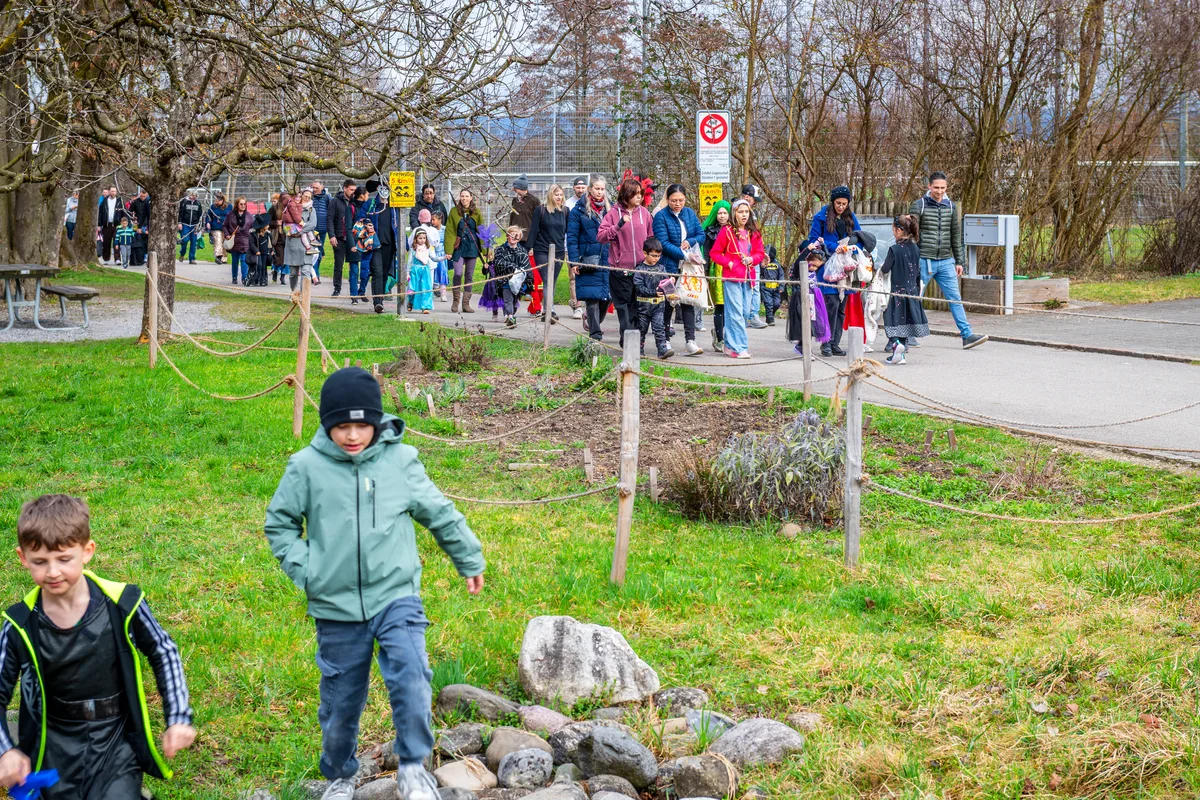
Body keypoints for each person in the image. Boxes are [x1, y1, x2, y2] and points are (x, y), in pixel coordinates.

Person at [264, 368, 485, 800]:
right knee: (340, 705)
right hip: (335, 608)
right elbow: (280, 525)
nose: (351, 435)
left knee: (411, 675)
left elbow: (438, 511)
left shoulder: (401, 461)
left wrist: (468, 556)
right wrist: (309, 569)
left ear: (377, 422)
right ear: (328, 424)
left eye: (361, 425)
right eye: (341, 426)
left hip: (395, 594)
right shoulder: (305, 468)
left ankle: (412, 766)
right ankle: (341, 774)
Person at [0, 494, 195, 798]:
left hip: (115, 739)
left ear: (87, 551)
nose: (53, 572)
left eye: (64, 559)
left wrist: (179, 716)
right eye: (40, 562)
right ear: (23, 558)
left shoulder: (122, 603)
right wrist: (5, 751)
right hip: (54, 744)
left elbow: (163, 650)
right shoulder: (19, 624)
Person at [909, 171, 988, 349]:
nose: (939, 191)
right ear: (929, 186)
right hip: (924, 260)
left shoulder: (951, 207)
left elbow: (955, 235)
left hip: (946, 261)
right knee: (914, 297)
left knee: (955, 298)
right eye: (936, 187)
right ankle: (908, 335)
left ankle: (967, 335)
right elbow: (911, 233)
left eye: (942, 188)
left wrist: (959, 261)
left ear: (947, 188)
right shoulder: (919, 205)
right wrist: (912, 258)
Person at [804, 185, 860, 356]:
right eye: (838, 203)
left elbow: (860, 237)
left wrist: (851, 248)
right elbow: (813, 240)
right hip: (827, 265)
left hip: (846, 266)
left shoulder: (851, 217)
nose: (841, 207)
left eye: (844, 203)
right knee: (831, 304)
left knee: (842, 305)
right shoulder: (821, 217)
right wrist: (834, 247)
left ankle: (835, 342)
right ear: (832, 202)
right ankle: (825, 342)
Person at [651, 183, 705, 356]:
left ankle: (690, 340)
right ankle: (665, 339)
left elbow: (701, 234)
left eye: (681, 200)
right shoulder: (661, 217)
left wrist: (690, 242)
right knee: (668, 303)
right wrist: (684, 254)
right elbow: (663, 243)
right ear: (667, 200)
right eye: (674, 200)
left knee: (688, 301)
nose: (677, 204)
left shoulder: (689, 213)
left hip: (687, 268)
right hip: (669, 266)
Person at [597, 177, 653, 341]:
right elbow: (601, 237)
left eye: (641, 194)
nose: (639, 198)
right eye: (635, 194)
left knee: (638, 306)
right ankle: (627, 338)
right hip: (620, 269)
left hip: (641, 269)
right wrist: (618, 225)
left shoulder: (645, 214)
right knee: (624, 307)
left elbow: (650, 238)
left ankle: (634, 342)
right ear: (626, 194)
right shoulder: (613, 214)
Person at [708, 198, 765, 359]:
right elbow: (715, 253)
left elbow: (760, 253)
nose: (744, 215)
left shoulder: (754, 232)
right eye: (741, 212)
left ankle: (729, 344)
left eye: (746, 211)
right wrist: (730, 263)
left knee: (745, 313)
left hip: (748, 277)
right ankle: (740, 348)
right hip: (732, 277)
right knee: (735, 313)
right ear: (734, 213)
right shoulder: (726, 231)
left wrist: (752, 259)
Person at [567, 174, 611, 341]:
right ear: (590, 189)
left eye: (602, 189)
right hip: (588, 257)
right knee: (592, 296)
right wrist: (574, 261)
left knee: (606, 297)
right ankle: (595, 334)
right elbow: (571, 237)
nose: (600, 192)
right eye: (597, 189)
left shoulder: (610, 208)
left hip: (607, 258)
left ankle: (592, 321)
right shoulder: (578, 210)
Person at [880, 214, 929, 365]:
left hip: (896, 291)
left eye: (894, 230)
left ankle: (896, 344)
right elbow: (918, 269)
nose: (893, 233)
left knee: (892, 321)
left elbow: (885, 268)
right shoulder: (915, 248)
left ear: (899, 230)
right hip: (912, 290)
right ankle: (898, 355)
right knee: (905, 322)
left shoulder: (894, 249)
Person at [528, 184, 568, 322]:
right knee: (547, 279)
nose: (559, 197)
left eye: (561, 194)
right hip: (542, 250)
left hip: (559, 251)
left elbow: (569, 232)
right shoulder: (541, 210)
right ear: (551, 195)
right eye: (556, 194)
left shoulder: (565, 211)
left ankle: (548, 308)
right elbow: (533, 229)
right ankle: (549, 310)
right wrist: (530, 247)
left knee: (553, 280)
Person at [633, 237, 675, 359]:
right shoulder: (640, 269)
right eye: (653, 256)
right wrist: (653, 292)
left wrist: (670, 281)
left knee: (659, 328)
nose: (656, 259)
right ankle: (638, 350)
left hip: (659, 306)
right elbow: (638, 287)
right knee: (642, 329)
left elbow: (666, 283)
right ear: (645, 253)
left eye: (658, 256)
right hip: (643, 307)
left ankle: (662, 349)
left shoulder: (661, 268)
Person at [786, 247, 832, 355]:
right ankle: (802, 347)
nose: (815, 269)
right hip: (801, 298)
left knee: (813, 324)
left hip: (814, 299)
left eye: (817, 266)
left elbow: (829, 259)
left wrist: (824, 247)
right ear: (807, 261)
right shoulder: (800, 269)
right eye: (813, 265)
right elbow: (798, 262)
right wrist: (807, 250)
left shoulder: (816, 269)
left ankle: (803, 346)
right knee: (804, 323)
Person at [446, 189, 484, 314]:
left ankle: (466, 304)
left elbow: (482, 230)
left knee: (469, 276)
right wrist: (449, 250)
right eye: (462, 196)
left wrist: (485, 249)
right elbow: (450, 231)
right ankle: (456, 301)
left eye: (467, 196)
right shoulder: (454, 211)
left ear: (471, 197)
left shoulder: (477, 212)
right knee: (457, 273)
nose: (464, 198)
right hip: (459, 247)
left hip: (472, 247)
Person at [365, 180, 400, 313]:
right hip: (375, 246)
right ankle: (377, 302)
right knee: (377, 273)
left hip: (389, 245)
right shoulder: (372, 205)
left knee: (385, 273)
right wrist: (367, 224)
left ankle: (381, 298)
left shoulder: (394, 206)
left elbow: (398, 225)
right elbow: (361, 218)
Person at [700, 200, 730, 352]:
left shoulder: (735, 230)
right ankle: (719, 337)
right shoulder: (710, 231)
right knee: (720, 304)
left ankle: (728, 336)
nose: (722, 216)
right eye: (719, 213)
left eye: (725, 212)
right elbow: (705, 252)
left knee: (732, 305)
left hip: (733, 268)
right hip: (717, 269)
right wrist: (705, 272)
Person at [491, 225, 530, 328]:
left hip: (518, 282)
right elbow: (498, 262)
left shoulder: (522, 251)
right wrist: (513, 268)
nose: (513, 237)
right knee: (507, 299)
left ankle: (509, 314)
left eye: (516, 235)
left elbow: (526, 266)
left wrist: (525, 277)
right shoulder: (501, 250)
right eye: (511, 235)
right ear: (507, 236)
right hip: (505, 281)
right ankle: (510, 317)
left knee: (514, 300)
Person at [326, 179, 358, 297]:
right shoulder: (335, 202)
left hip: (352, 238)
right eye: (351, 190)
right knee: (339, 264)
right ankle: (337, 287)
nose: (353, 192)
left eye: (355, 190)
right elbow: (330, 219)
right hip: (339, 237)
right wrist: (332, 235)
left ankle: (354, 288)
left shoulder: (355, 202)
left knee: (354, 264)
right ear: (345, 188)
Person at [282, 190, 315, 290]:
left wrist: (300, 232)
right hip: (293, 245)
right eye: (305, 196)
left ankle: (303, 296)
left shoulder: (311, 210)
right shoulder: (290, 207)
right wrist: (289, 231)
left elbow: (312, 224)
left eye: (309, 197)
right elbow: (285, 224)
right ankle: (293, 292)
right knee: (293, 273)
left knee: (305, 272)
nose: (307, 198)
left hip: (306, 246)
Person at [222, 196, 255, 285]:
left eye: (244, 204)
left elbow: (253, 227)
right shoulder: (230, 214)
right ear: (237, 204)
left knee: (244, 261)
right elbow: (224, 225)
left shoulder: (249, 216)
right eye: (241, 204)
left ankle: (244, 278)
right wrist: (227, 235)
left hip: (245, 241)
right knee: (235, 261)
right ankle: (234, 277)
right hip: (234, 241)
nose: (243, 206)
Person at [508, 174, 540, 246]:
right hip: (514, 238)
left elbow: (539, 220)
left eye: (515, 188)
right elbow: (512, 217)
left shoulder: (534, 201)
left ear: (521, 188)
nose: (514, 189)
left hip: (527, 238)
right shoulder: (515, 200)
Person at [97, 186, 125, 264]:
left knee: (117, 242)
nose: (113, 193)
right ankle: (106, 259)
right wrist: (99, 225)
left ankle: (117, 259)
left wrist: (124, 224)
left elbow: (124, 213)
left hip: (117, 225)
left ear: (116, 192)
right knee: (106, 242)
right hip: (107, 225)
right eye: (112, 191)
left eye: (114, 191)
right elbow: (100, 214)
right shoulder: (104, 201)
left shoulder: (119, 201)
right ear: (109, 192)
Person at [310, 181, 330, 282]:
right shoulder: (310, 198)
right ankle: (315, 275)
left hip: (322, 230)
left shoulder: (326, 198)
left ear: (322, 187)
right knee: (313, 252)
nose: (314, 190)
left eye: (316, 188)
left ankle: (315, 273)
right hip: (311, 231)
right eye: (313, 188)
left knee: (319, 252)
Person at [761, 245, 784, 326]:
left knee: (777, 303)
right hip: (766, 287)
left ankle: (771, 314)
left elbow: (781, 276)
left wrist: (781, 287)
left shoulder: (778, 265)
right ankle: (769, 318)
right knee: (768, 303)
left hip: (776, 288)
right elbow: (760, 273)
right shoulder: (763, 263)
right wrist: (763, 266)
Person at [178, 191, 203, 263]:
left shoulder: (198, 203)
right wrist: (179, 223)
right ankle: (182, 253)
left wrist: (198, 225)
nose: (193, 197)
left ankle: (192, 258)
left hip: (194, 226)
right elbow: (180, 213)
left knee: (193, 242)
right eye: (192, 195)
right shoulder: (184, 202)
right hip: (185, 224)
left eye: (195, 196)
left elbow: (199, 215)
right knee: (185, 240)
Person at [205, 193, 231, 265]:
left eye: (218, 201)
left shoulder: (229, 206)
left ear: (222, 200)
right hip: (216, 226)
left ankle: (224, 258)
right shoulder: (213, 207)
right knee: (218, 240)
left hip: (226, 227)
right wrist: (208, 222)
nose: (216, 202)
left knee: (224, 242)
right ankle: (218, 256)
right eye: (215, 200)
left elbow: (232, 215)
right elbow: (208, 215)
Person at [129, 188, 151, 266]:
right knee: (137, 239)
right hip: (138, 222)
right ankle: (138, 256)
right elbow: (130, 211)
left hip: (146, 223)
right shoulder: (135, 202)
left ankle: (145, 255)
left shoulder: (148, 202)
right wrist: (133, 218)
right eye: (141, 196)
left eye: (144, 196)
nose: (142, 198)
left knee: (146, 240)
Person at [251, 212, 273, 286]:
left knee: (264, 266)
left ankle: (263, 279)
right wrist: (256, 251)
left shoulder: (268, 234)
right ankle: (256, 279)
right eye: (267, 225)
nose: (268, 226)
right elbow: (252, 243)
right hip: (258, 252)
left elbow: (271, 244)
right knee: (258, 265)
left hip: (265, 252)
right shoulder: (255, 235)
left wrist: (272, 251)